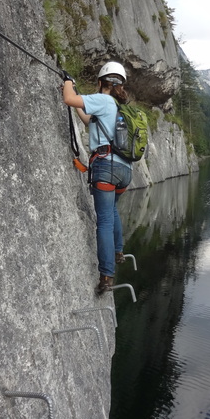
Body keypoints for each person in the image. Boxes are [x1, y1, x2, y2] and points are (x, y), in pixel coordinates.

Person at [62, 62, 133, 295]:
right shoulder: (117, 107)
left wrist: (68, 83)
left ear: (102, 82)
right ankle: (118, 252)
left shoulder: (103, 100)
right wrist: (77, 102)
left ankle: (106, 276)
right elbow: (88, 120)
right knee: (112, 211)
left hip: (106, 166)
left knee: (103, 220)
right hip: (125, 171)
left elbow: (70, 100)